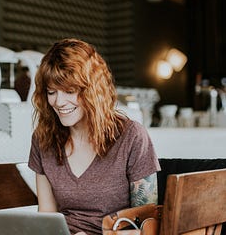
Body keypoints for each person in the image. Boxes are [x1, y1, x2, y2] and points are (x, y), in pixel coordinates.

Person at [28, 38, 161, 235]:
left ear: (92, 90)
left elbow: (148, 226)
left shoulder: (131, 136)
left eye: (70, 91)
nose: (59, 102)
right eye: (51, 92)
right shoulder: (43, 139)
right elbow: (47, 218)